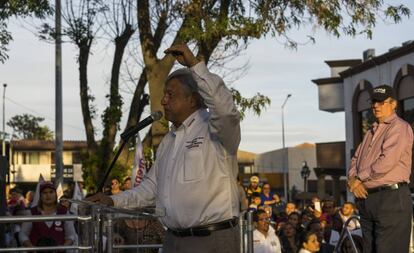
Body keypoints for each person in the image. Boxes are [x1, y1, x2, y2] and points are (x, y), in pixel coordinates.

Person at [87, 44, 241, 253]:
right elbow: (149, 189)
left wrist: (195, 65)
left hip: (211, 240)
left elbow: (225, 111)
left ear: (193, 99)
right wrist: (111, 200)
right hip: (172, 240)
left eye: (170, 95)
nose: (163, 101)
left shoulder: (216, 131)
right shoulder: (169, 140)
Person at [347, 85, 413, 253]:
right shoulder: (371, 131)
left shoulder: (399, 127)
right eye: (374, 102)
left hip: (391, 198)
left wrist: (359, 179)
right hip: (369, 199)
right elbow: (356, 159)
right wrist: (353, 180)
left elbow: (387, 162)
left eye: (381, 102)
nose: (375, 105)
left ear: (393, 104)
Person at [19, 181, 77, 249]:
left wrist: (62, 248)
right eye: (44, 193)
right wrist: (32, 248)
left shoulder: (64, 213)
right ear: (40, 196)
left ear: (55, 195)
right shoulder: (32, 213)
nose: (48, 195)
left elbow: (71, 236)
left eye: (51, 192)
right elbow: (23, 235)